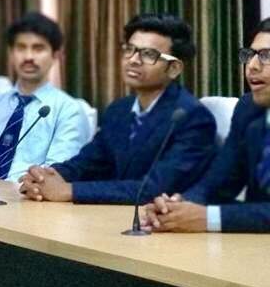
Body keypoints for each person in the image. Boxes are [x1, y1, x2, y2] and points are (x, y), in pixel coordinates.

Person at [19, 13, 216, 204]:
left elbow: (155, 188)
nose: (133, 60)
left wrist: (69, 190)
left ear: (174, 68)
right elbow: (88, 162)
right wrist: (45, 177)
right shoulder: (119, 110)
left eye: (148, 54)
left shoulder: (193, 117)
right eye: (129, 49)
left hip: (157, 221)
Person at [141, 18, 270, 232]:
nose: (252, 66)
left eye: (266, 56)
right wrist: (177, 206)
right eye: (250, 55)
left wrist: (209, 218)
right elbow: (218, 182)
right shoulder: (248, 109)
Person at [0, 12, 87, 181]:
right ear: (11, 53)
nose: (28, 57)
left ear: (56, 55)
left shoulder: (69, 111)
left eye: (38, 48)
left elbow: (55, 177)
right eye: (21, 48)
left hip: (25, 195)